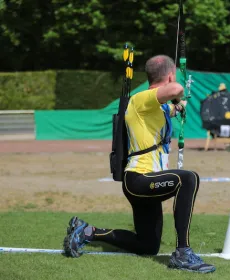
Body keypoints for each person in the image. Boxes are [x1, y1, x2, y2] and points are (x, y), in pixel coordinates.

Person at [62, 55, 216, 273]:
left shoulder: (156, 106)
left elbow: (172, 107)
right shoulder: (141, 99)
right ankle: (183, 253)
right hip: (139, 179)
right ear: (170, 75)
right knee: (188, 178)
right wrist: (178, 93)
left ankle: (87, 231)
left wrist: (179, 107)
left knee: (148, 246)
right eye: (174, 77)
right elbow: (175, 91)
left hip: (149, 182)